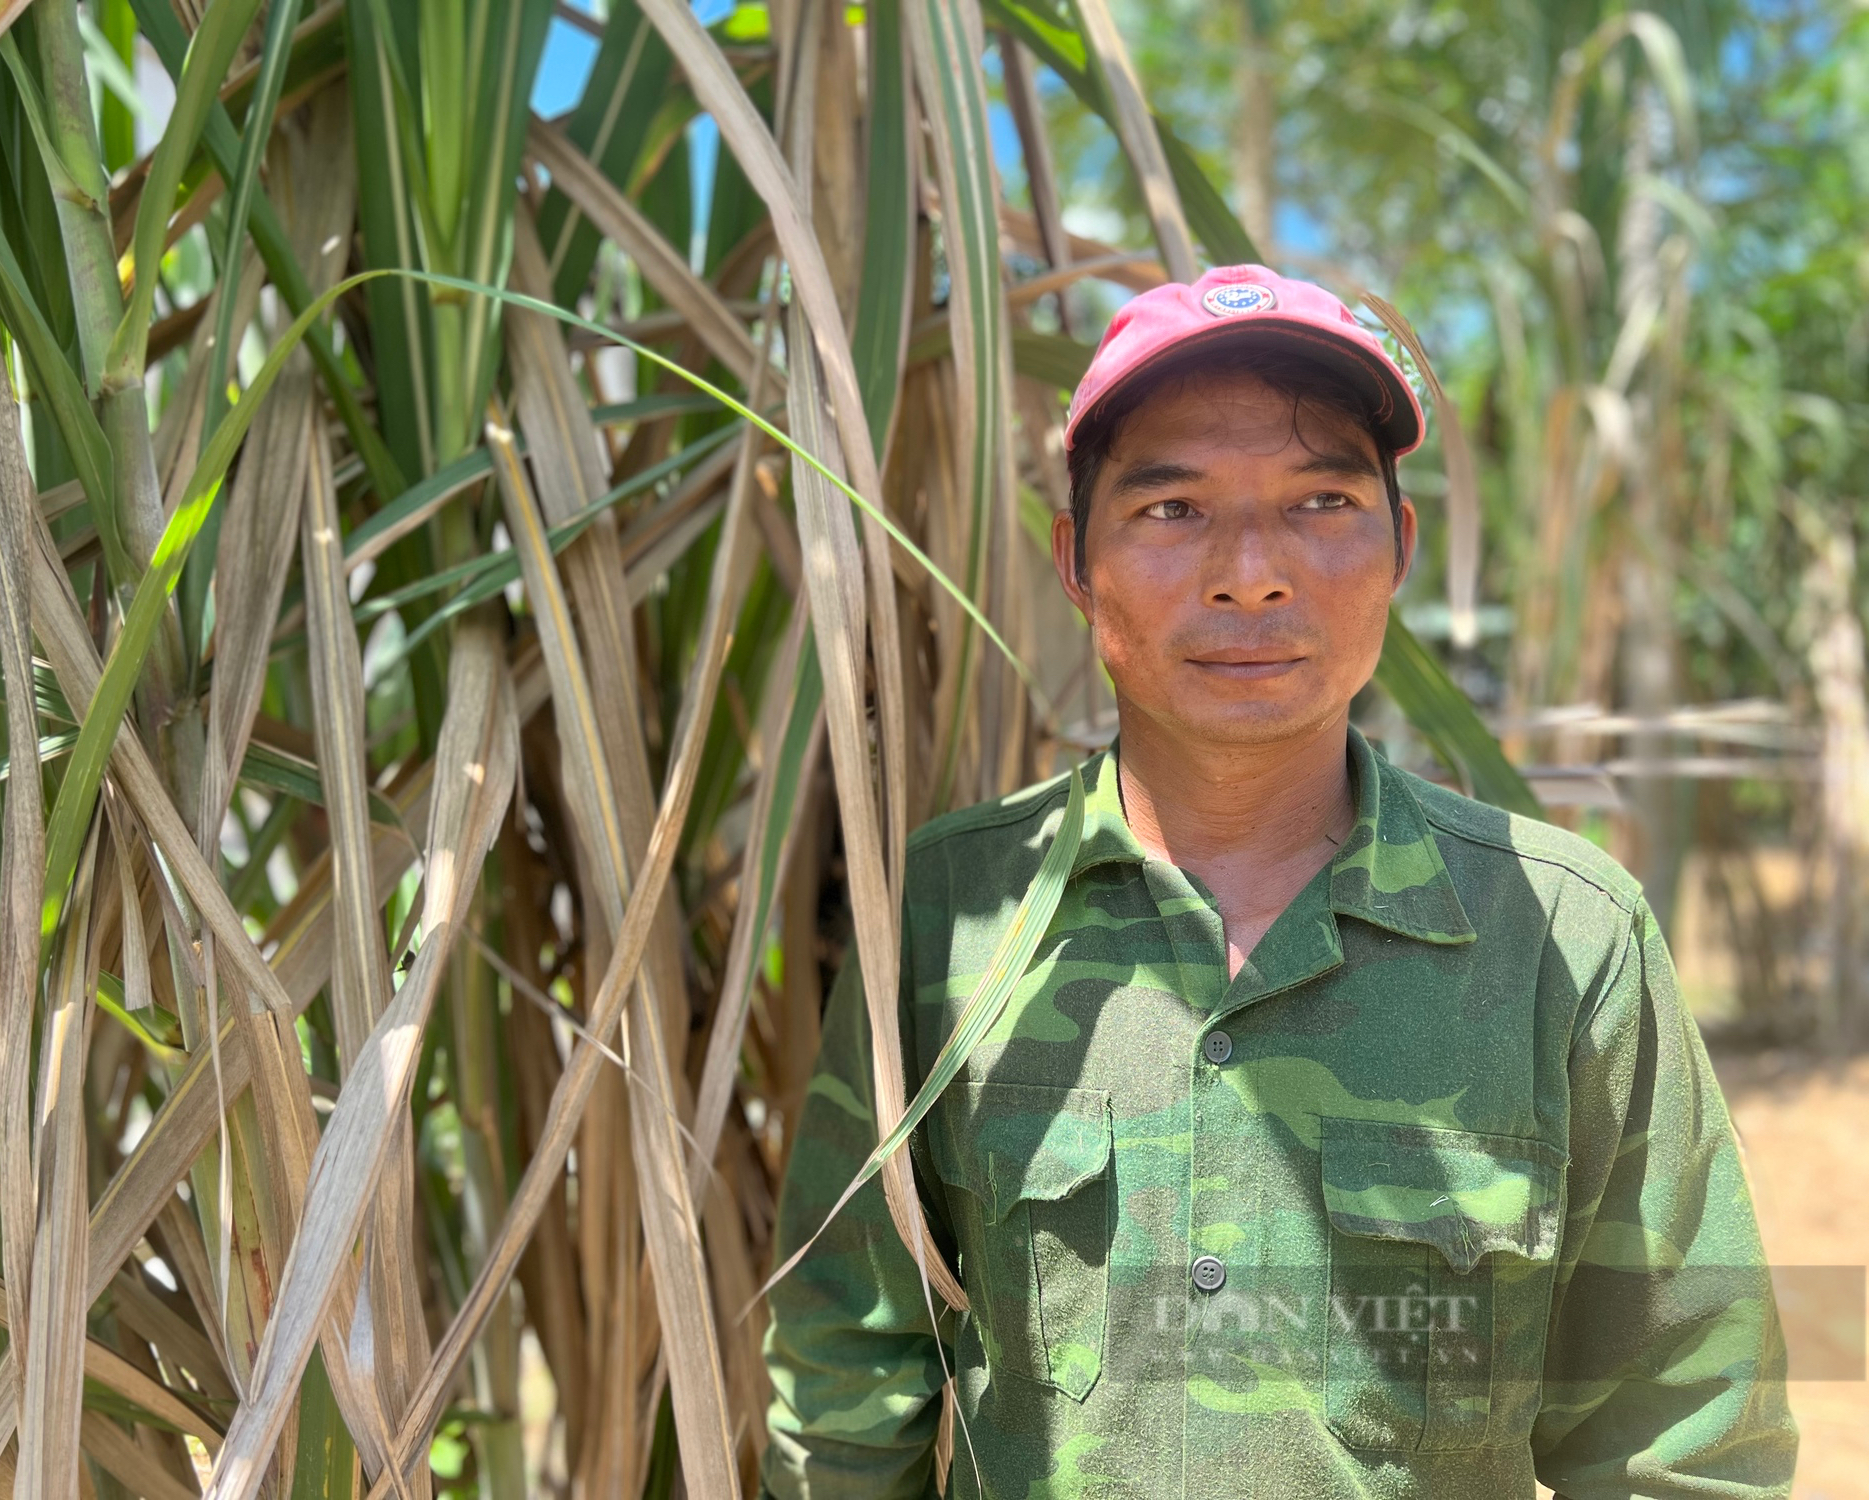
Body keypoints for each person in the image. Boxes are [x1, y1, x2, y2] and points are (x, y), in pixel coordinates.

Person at [760, 265, 1797, 1499]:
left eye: (1318, 500)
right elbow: (842, 1382)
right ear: (1075, 562)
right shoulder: (954, 914)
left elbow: (1679, 1438)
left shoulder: (1564, 938)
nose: (1250, 572)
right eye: (1170, 510)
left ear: (1398, 547)